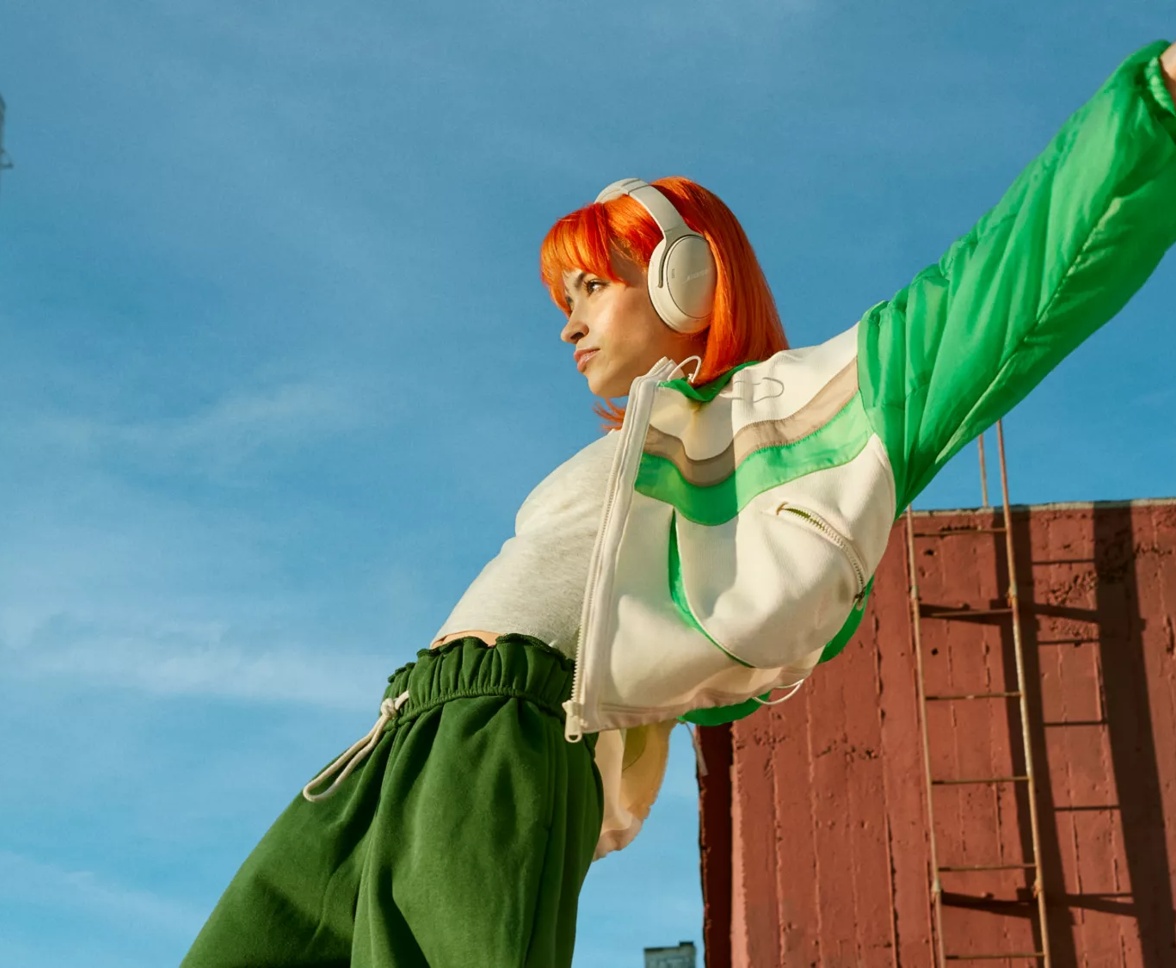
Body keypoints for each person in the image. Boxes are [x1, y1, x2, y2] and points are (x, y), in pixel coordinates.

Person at [181, 39, 1176, 968]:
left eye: (588, 289)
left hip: (505, 731)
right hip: (397, 737)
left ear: (681, 275)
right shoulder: (633, 452)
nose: (566, 323)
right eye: (559, 301)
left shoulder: (796, 415)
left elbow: (1000, 292)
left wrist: (1155, 103)